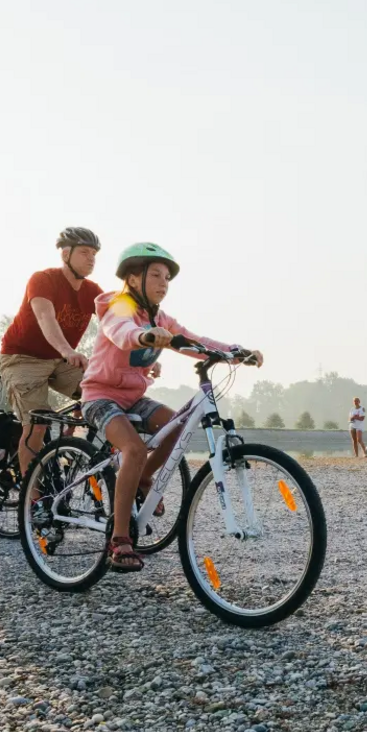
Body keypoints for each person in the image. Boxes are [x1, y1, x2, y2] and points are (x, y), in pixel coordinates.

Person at [81, 242, 260, 572]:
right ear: (134, 279)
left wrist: (237, 351)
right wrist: (144, 337)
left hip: (134, 397)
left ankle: (142, 480)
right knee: (134, 450)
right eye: (156, 275)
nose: (164, 283)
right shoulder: (116, 304)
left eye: (167, 278)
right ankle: (120, 538)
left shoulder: (159, 317)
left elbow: (195, 341)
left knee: (178, 424)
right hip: (100, 396)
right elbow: (120, 332)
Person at [0, 228, 102, 475]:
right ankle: (31, 497)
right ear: (65, 254)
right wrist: (67, 350)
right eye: (85, 252)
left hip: (59, 359)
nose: (91, 258)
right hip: (22, 358)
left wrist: (141, 352)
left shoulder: (92, 291)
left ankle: (70, 439)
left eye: (95, 254)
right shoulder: (43, 279)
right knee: (38, 423)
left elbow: (119, 324)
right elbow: (45, 317)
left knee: (102, 390)